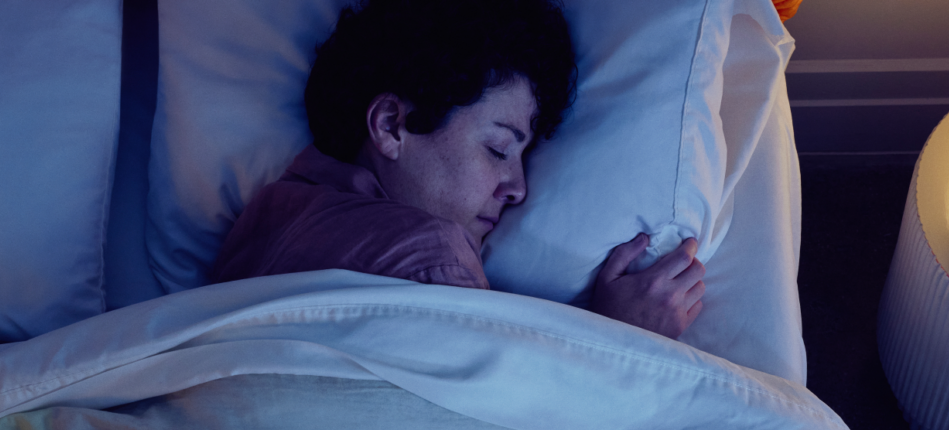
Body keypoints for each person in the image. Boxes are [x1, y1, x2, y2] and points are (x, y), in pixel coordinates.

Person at [211, 0, 705, 339]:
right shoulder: (430, 257)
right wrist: (621, 335)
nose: (518, 189)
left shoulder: (259, 219)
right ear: (391, 125)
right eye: (497, 148)